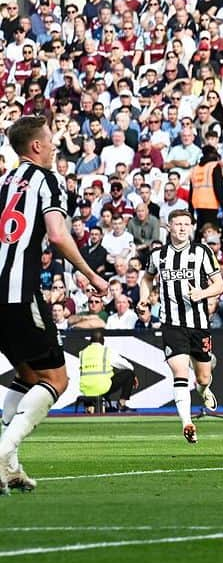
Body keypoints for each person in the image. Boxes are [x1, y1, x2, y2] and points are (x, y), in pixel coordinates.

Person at [0, 116, 110, 493]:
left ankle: (10, 468)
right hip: (19, 293)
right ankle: (3, 451)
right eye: (49, 142)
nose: (53, 147)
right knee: (57, 380)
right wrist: (92, 275)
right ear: (35, 146)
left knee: (29, 376)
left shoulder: (2, 183)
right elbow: (58, 235)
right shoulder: (48, 181)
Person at [142, 209, 223, 444]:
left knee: (203, 376)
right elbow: (147, 279)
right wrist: (143, 298)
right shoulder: (158, 255)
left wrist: (202, 293)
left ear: (191, 227)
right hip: (171, 324)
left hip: (198, 325)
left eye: (185, 224)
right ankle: (187, 423)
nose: (181, 228)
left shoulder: (202, 251)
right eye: (177, 224)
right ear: (169, 227)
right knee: (179, 371)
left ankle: (204, 391)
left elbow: (218, 284)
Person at [78, 330, 137, 413]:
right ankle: (121, 404)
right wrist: (133, 375)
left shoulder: (82, 353)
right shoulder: (107, 351)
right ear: (103, 341)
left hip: (86, 388)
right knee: (129, 373)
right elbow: (128, 366)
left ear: (90, 341)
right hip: (103, 387)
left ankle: (90, 407)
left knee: (100, 379)